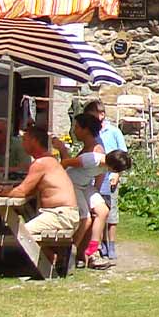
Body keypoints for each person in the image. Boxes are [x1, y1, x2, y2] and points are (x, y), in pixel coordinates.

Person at [1, 123, 81, 246]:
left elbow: (21, 192)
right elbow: (29, 191)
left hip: (61, 215)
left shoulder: (41, 163)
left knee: (21, 234)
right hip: (64, 214)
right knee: (23, 231)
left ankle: (45, 263)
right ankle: (51, 260)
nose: (22, 143)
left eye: (25, 140)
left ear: (34, 141)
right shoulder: (49, 160)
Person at [55, 111, 106, 263]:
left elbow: (100, 172)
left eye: (77, 127)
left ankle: (81, 251)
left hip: (80, 186)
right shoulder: (88, 147)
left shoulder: (95, 151)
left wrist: (63, 150)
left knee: (93, 215)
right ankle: (89, 252)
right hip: (81, 185)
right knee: (99, 213)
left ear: (86, 130)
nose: (74, 130)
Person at [92, 147, 131, 265]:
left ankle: (110, 245)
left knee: (110, 217)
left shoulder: (114, 133)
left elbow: (123, 155)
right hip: (93, 189)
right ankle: (99, 247)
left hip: (106, 188)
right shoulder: (96, 156)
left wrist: (116, 174)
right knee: (99, 218)